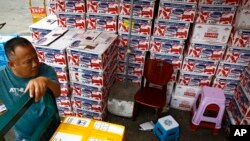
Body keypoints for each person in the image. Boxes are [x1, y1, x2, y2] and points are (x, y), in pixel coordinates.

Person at [0, 37, 61, 141]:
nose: (35, 64)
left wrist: (45, 81)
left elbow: (57, 92)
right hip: (23, 137)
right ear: (12, 65)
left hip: (51, 130)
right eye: (28, 62)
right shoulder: (2, 77)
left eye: (35, 58)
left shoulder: (45, 70)